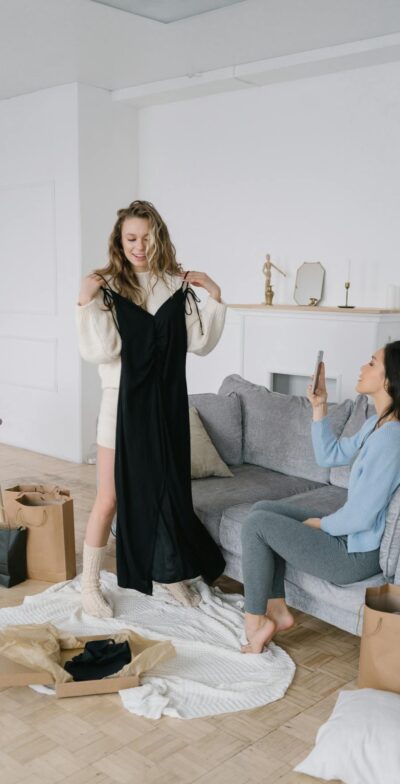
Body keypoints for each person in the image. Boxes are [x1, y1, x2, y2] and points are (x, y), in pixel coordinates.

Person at [76, 200, 226, 617]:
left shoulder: (173, 285)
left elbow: (199, 343)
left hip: (167, 404)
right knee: (110, 496)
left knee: (169, 492)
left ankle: (171, 574)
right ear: (119, 240)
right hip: (119, 404)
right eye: (131, 238)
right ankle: (89, 585)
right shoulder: (108, 286)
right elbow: (102, 349)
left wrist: (213, 294)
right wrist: (85, 303)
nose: (139, 246)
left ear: (158, 237)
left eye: (146, 237)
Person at [240, 341, 400, 653]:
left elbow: (361, 516)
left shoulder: (391, 440)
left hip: (354, 553)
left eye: (371, 362)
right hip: (349, 536)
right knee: (262, 508)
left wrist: (319, 523)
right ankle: (278, 611)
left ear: (387, 380)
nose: (362, 367)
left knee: (257, 525)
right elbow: (330, 455)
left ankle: (255, 624)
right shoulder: (377, 424)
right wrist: (319, 406)